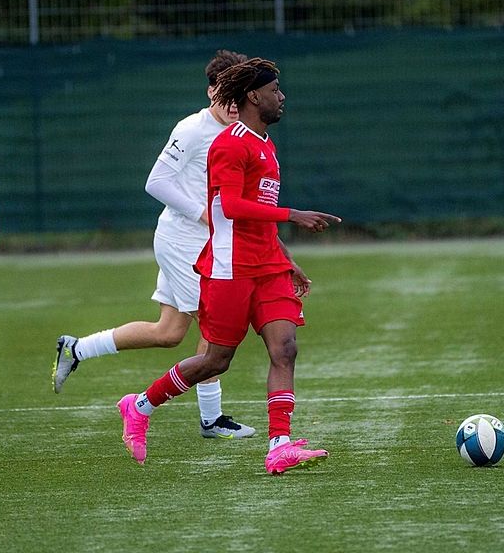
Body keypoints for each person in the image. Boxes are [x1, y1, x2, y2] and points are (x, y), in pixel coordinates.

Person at [115, 57, 340, 474]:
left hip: (267, 266)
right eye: (275, 90)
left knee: (285, 348)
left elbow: (259, 212)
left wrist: (288, 259)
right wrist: (294, 216)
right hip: (229, 268)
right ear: (254, 96)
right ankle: (140, 405)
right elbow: (232, 207)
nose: (281, 97)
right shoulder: (229, 144)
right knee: (216, 360)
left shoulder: (265, 143)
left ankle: (280, 445)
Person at [52, 50, 259, 439]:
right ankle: (211, 420)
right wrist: (203, 214)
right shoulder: (192, 129)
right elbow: (156, 182)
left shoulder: (240, 132)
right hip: (183, 240)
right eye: (227, 94)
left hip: (207, 241)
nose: (235, 104)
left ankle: (77, 349)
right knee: (214, 324)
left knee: (168, 332)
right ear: (211, 90)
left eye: (241, 94)